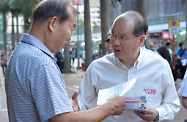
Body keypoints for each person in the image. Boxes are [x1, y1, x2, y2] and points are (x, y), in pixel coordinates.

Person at [5, 0, 126, 122]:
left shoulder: (20, 52)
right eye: (71, 28)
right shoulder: (41, 62)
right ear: (53, 23)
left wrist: (62, 106)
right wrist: (110, 107)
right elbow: (64, 120)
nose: (69, 37)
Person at [77, 10, 181, 122]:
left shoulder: (160, 66)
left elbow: (173, 104)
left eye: (122, 37)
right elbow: (83, 103)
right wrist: (75, 106)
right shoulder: (97, 68)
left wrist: (158, 114)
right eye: (113, 36)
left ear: (141, 40)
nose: (115, 42)